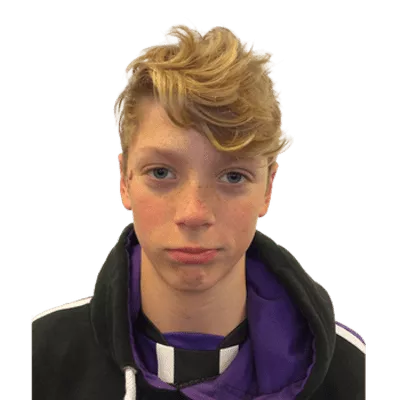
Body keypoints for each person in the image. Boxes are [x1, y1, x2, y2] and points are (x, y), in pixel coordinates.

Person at [31, 22, 367, 400]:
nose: (193, 213)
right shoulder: (39, 358)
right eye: (161, 172)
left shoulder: (353, 373)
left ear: (268, 188)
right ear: (124, 180)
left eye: (233, 176)